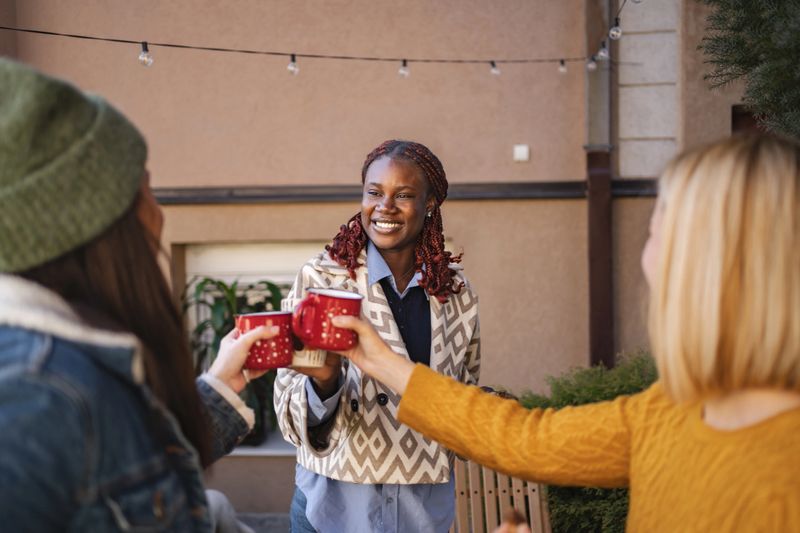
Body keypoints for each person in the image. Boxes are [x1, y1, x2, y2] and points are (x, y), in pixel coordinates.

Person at [332, 134, 800, 531]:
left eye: (657, 233)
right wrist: (377, 360)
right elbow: (521, 439)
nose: (647, 260)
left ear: (712, 269)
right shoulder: (670, 411)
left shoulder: (780, 479)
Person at [0, 58, 276, 531]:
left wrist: (217, 390)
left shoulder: (67, 372)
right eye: (145, 187)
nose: (159, 211)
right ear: (98, 221)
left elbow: (113, 471)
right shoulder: (33, 397)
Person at [274, 140, 481, 532]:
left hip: (422, 511)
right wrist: (325, 381)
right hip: (333, 509)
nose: (384, 206)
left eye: (403, 195)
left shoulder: (456, 294)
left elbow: (462, 393)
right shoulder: (323, 280)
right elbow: (287, 410)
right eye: (374, 192)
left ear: (431, 204)